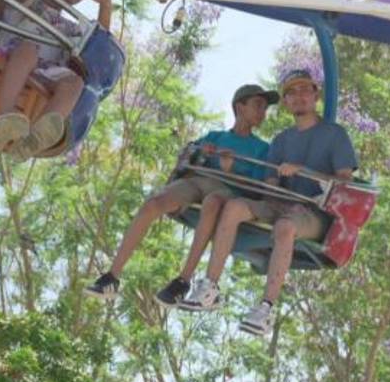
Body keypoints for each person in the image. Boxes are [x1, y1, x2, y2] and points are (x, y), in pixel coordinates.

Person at [178, 69, 357, 337]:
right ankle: (210, 286)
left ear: (315, 94)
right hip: (281, 203)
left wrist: (305, 173)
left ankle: (265, 308)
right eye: (292, 92)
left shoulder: (334, 134)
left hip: (313, 210)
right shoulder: (282, 140)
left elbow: (344, 183)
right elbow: (270, 183)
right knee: (234, 206)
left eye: (305, 90)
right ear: (286, 102)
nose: (299, 97)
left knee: (285, 227)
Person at [83, 84, 279, 303]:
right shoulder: (216, 136)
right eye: (258, 105)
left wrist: (229, 168)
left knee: (212, 203)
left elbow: (256, 187)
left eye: (265, 108)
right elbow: (191, 159)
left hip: (228, 192)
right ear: (240, 107)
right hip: (199, 182)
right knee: (154, 203)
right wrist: (204, 154)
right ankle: (112, 276)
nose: (263, 112)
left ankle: (183, 280)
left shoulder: (263, 149)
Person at [0, 0, 115, 157]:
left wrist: (105, 7)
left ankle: (38, 136)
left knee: (75, 82)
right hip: (13, 57)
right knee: (28, 50)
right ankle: (4, 115)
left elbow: (98, 46)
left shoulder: (71, 28)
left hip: (44, 75)